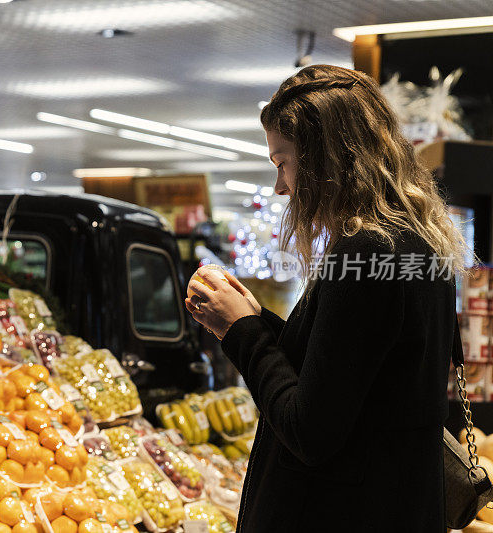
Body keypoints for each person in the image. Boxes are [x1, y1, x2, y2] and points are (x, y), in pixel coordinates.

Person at [186, 64, 468, 532]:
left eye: (282, 162)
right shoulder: (418, 244)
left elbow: (309, 429)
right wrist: (256, 319)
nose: (281, 186)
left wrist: (241, 333)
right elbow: (346, 371)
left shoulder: (365, 249)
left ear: (325, 160)